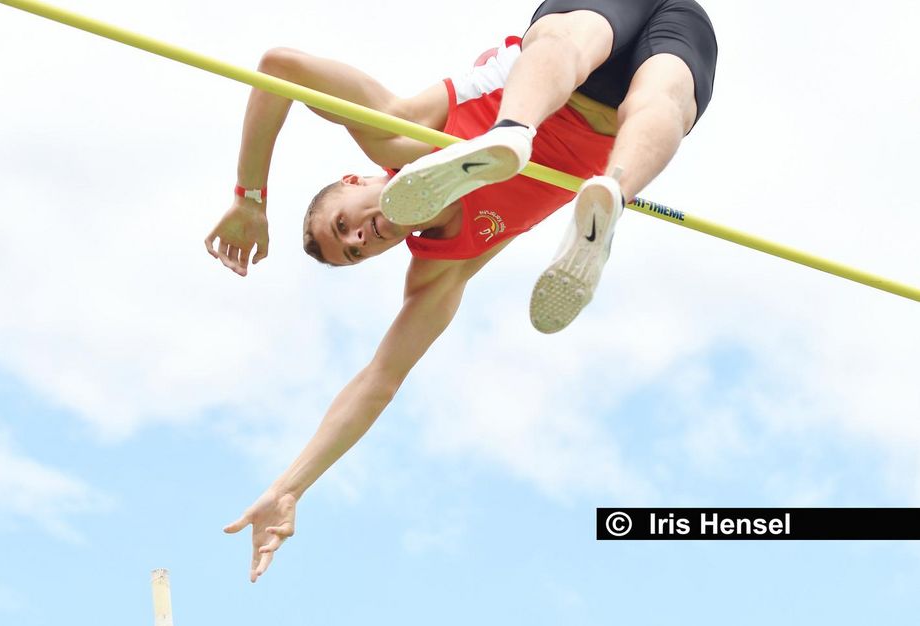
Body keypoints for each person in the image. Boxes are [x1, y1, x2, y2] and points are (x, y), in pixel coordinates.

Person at [207, 0, 716, 582]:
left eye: (344, 222)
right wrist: (289, 487)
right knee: (665, 98)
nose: (360, 236)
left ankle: (510, 135)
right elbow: (378, 381)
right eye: (354, 250)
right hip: (631, 106)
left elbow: (280, 66)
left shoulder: (398, 133)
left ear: (355, 180)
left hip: (569, 62)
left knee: (568, 40)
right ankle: (610, 201)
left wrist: (250, 197)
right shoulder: (443, 268)